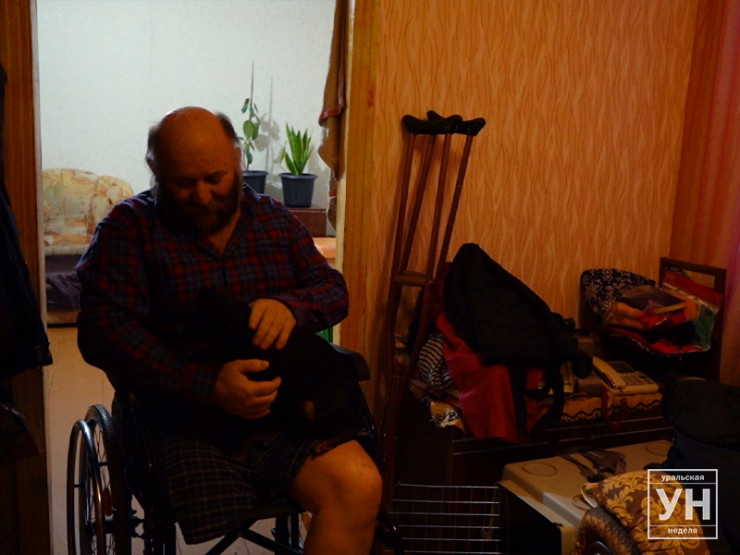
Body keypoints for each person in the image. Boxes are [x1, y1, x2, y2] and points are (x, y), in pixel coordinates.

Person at [76, 106, 382, 553]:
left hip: (280, 412)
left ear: (237, 158)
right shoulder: (128, 228)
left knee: (359, 485)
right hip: (181, 419)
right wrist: (207, 385)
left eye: (215, 178)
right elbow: (102, 330)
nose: (202, 196)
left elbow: (333, 290)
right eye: (183, 183)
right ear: (154, 170)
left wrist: (290, 307)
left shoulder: (275, 219)